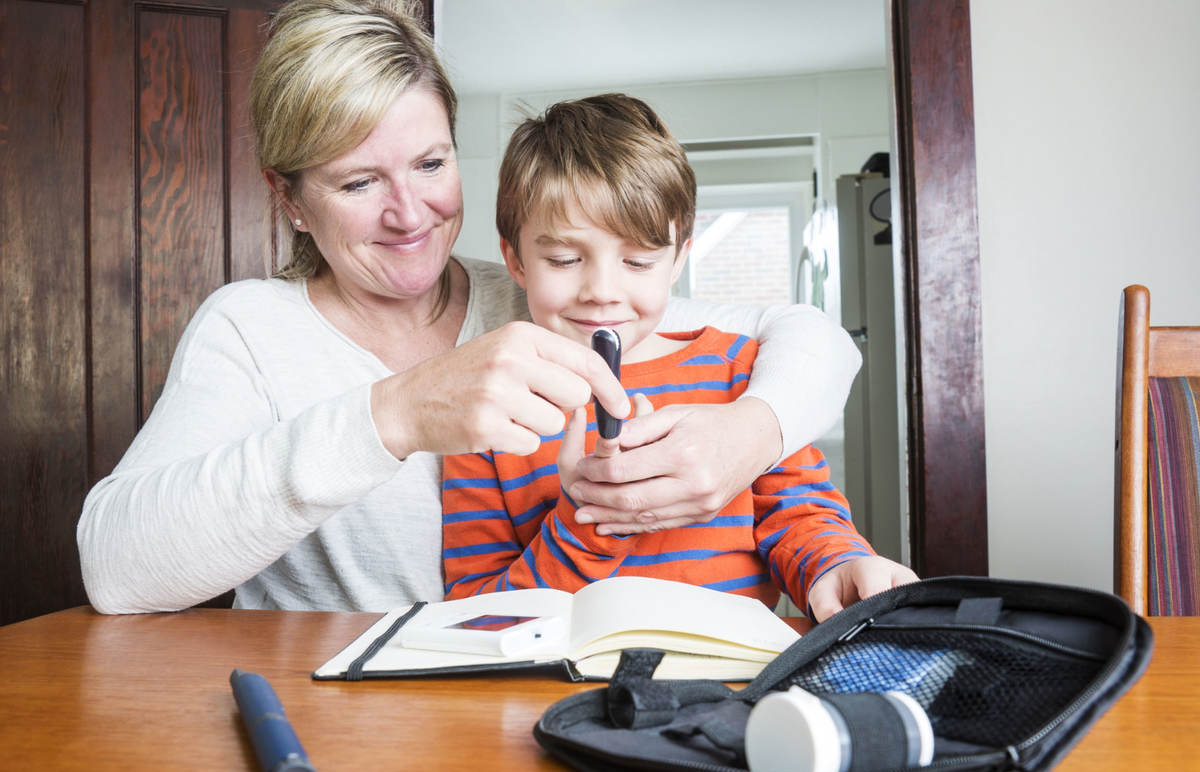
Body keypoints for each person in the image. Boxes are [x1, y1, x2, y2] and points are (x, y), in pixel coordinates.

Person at [76, 0, 861, 615]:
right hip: (335, 726)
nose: (410, 213)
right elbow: (116, 570)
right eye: (358, 183)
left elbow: (804, 336)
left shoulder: (541, 294)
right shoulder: (252, 329)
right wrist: (393, 417)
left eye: (431, 161)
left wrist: (753, 432)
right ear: (292, 200)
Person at [441, 94, 916, 621]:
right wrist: (584, 520)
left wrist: (837, 565)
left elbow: (801, 517)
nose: (602, 290)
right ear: (516, 260)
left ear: (677, 260)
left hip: (732, 681)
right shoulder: (490, 410)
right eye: (565, 259)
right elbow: (475, 612)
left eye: (639, 261)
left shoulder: (742, 373)